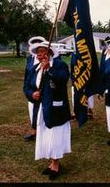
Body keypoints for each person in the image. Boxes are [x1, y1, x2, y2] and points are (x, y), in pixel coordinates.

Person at [24, 42, 71, 180]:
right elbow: (26, 86)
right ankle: (51, 162)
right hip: (40, 109)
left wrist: (49, 69)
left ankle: (56, 164)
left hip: (56, 108)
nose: (39, 54)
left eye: (43, 51)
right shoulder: (34, 69)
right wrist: (32, 94)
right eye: (38, 51)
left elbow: (63, 80)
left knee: (55, 136)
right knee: (45, 135)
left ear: (50, 53)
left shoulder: (59, 65)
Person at [23, 36, 46, 141]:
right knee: (32, 108)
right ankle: (34, 129)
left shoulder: (52, 59)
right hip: (33, 89)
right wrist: (30, 92)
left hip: (45, 91)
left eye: (39, 43)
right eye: (35, 44)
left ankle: (44, 130)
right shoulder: (30, 59)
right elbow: (27, 75)